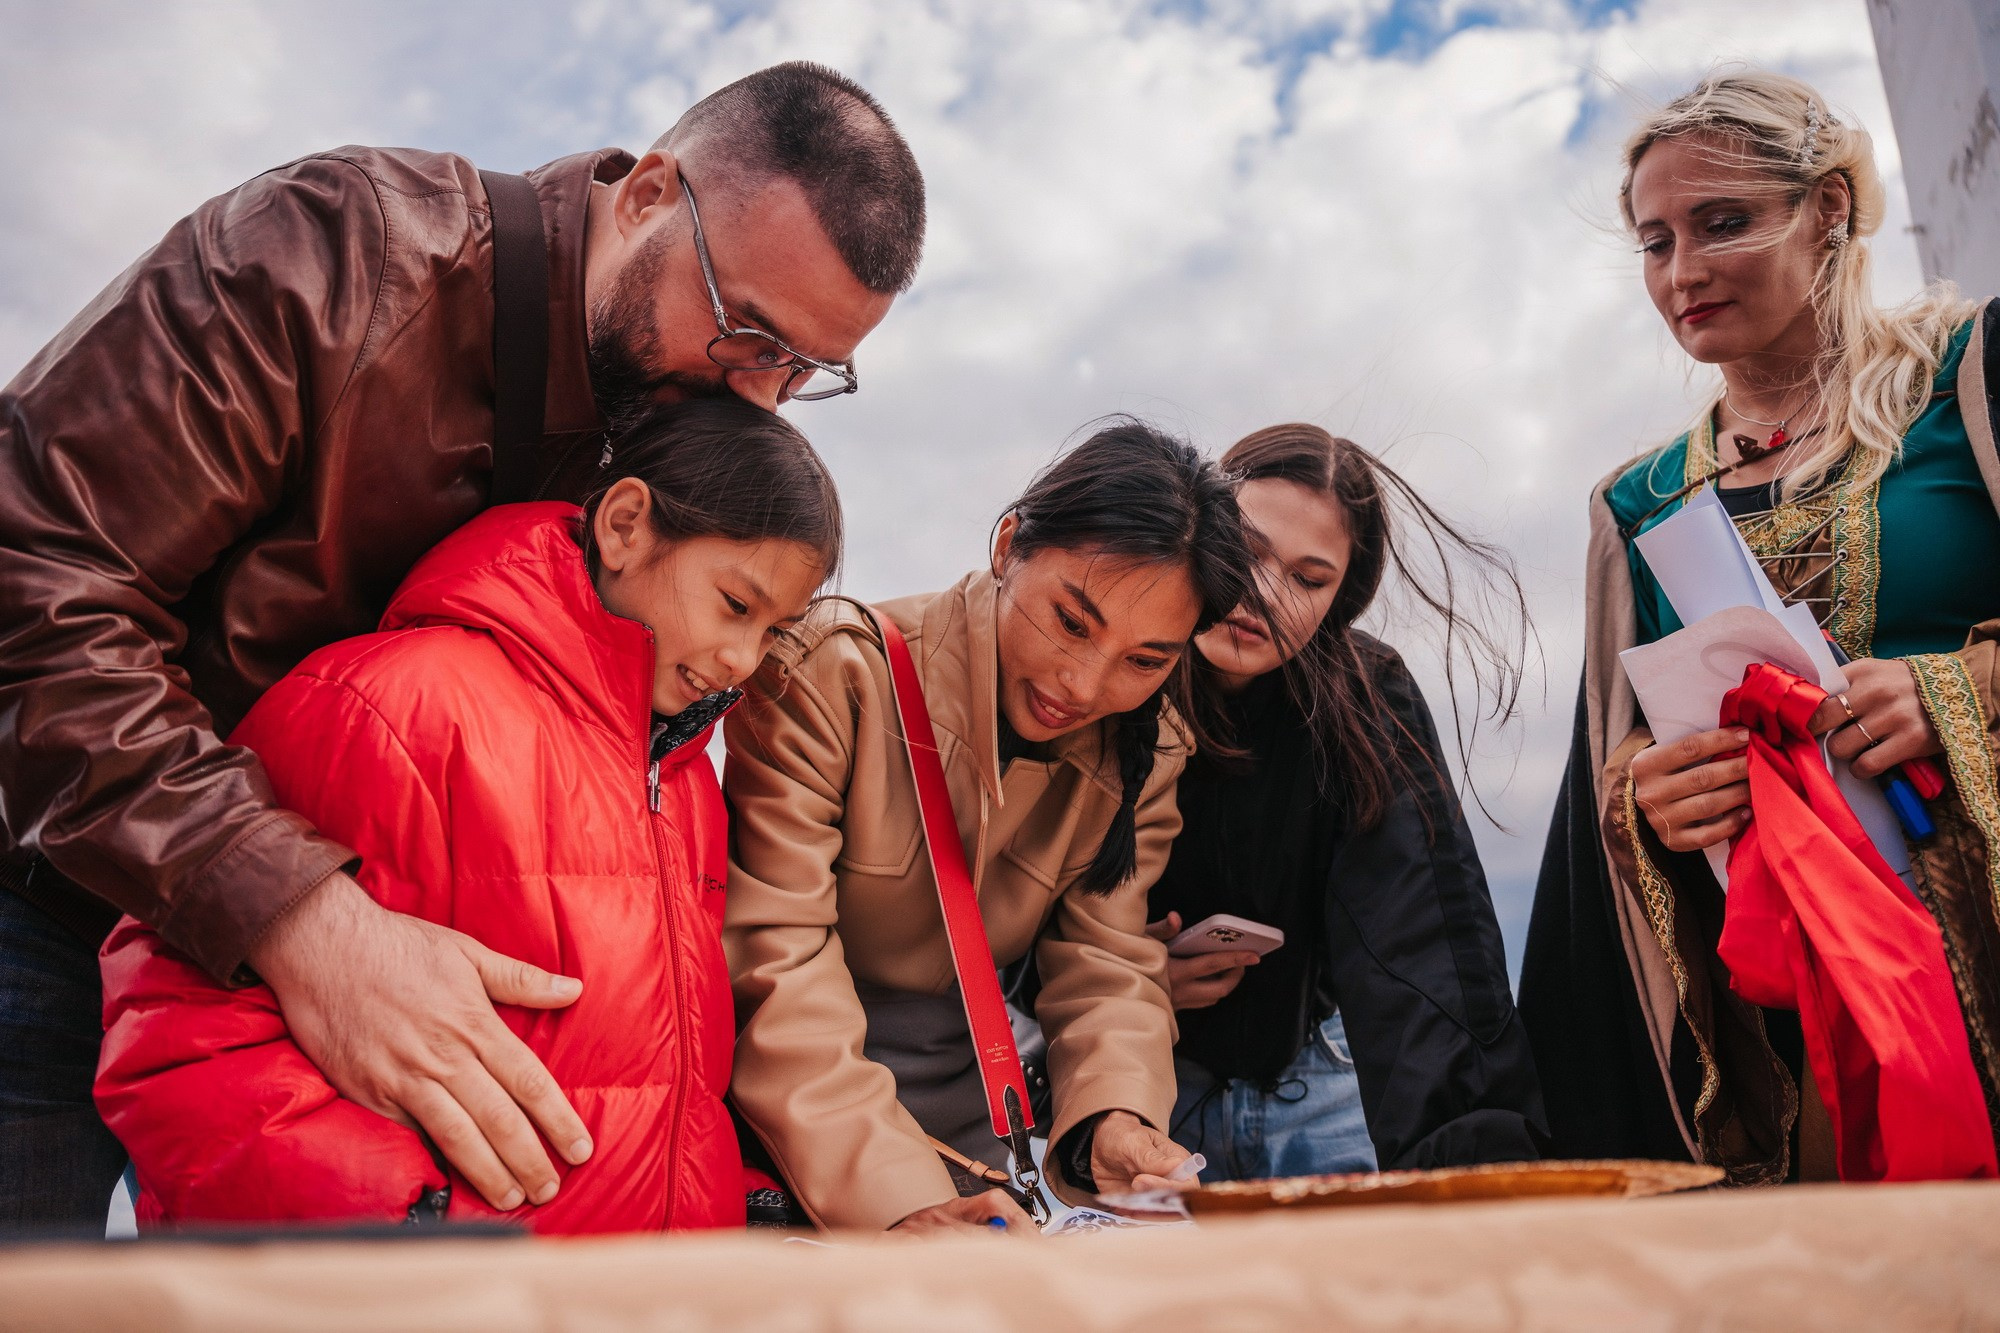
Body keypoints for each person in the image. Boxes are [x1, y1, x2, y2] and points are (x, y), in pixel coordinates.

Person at [0, 62, 924, 1225]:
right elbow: (38, 580)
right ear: (645, 194)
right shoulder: (331, 255)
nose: (764, 396)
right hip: (45, 909)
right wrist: (300, 918)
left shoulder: (667, 426)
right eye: (747, 331)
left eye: (808, 370)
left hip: (375, 994)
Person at [92, 398, 838, 1231]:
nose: (743, 661)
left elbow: (657, 1095)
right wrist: (408, 1228)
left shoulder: (688, 784)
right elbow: (180, 1032)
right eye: (737, 605)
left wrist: (736, 1204)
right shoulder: (394, 705)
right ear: (625, 525)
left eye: (776, 631)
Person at [1519, 69, 2000, 1184]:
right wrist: (1650, 791)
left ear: (1826, 206)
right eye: (1652, 241)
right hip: (1794, 999)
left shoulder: (1966, 378)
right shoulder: (1634, 502)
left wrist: (1958, 686)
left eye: (1720, 223)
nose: (1679, 272)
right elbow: (1615, 760)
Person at [724, 420, 1260, 1234]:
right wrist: (902, 1201)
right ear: (1009, 545)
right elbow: (775, 960)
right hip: (798, 1129)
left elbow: (1108, 958)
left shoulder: (1148, 751)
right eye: (1071, 622)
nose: (1083, 684)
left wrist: (1112, 1120)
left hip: (982, 1144)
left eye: (1145, 661)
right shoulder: (833, 672)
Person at [1144, 424, 1545, 1182]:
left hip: (1326, 1086)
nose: (1263, 592)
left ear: (1342, 598)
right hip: (1145, 1088)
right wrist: (1135, 982)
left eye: (1308, 576)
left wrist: (1477, 1174)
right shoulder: (1114, 678)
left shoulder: (1368, 700)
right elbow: (1026, 898)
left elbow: (1422, 943)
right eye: (1250, 549)